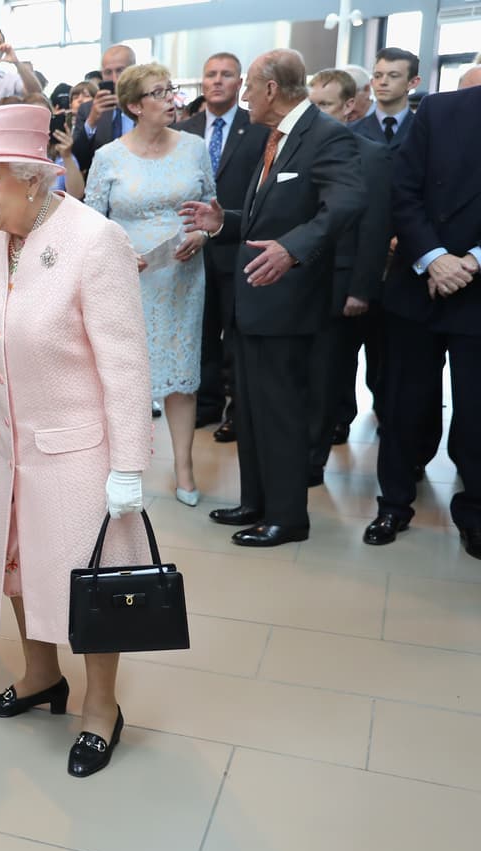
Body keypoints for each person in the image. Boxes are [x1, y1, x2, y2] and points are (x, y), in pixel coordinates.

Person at [0, 104, 151, 777]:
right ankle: (39, 675)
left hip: (82, 452)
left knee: (90, 584)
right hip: (19, 446)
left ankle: (101, 706)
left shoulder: (95, 240)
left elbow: (125, 363)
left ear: (31, 177)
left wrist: (129, 466)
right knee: (20, 567)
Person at [181, 49, 364, 547]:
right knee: (252, 409)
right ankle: (256, 501)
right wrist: (225, 224)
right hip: (255, 302)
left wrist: (293, 249)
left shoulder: (327, 137)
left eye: (247, 88)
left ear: (268, 90)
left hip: (288, 303)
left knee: (280, 411)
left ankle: (287, 517)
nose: (241, 97)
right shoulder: (276, 137)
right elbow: (270, 221)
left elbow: (345, 204)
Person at [85, 63, 214, 505]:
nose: (171, 100)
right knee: (126, 376)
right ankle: (125, 465)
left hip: (182, 277)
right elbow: (91, 223)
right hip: (129, 279)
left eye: (172, 90)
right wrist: (120, 254)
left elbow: (211, 209)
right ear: (136, 106)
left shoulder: (195, 148)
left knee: (182, 377)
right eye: (159, 93)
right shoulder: (109, 157)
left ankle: (184, 467)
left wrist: (203, 234)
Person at [364, 82, 481, 556]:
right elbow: (403, 189)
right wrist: (434, 258)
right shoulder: (439, 109)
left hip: (477, 286)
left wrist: (471, 261)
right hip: (420, 279)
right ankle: (393, 504)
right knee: (402, 403)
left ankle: (475, 512)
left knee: (477, 412)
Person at [176, 52, 270, 443]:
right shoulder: (184, 130)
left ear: (239, 82)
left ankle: (236, 411)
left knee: (234, 333)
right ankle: (207, 404)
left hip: (237, 245)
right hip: (192, 248)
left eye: (226, 75)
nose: (217, 81)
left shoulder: (260, 128)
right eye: (210, 74)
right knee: (201, 330)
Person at [305, 68, 392, 485]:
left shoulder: (371, 154)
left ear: (349, 107)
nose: (316, 112)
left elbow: (375, 227)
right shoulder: (299, 149)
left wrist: (361, 288)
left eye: (325, 104)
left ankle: (313, 459)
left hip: (342, 284)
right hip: (299, 280)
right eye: (312, 103)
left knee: (327, 374)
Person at [71, 44, 137, 172]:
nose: (114, 79)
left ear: (133, 70)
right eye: (108, 72)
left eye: (120, 71)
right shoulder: (87, 110)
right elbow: (78, 160)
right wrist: (91, 122)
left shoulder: (147, 105)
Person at [351, 48, 419, 146]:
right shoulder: (351, 131)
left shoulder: (426, 131)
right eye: (378, 76)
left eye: (393, 76)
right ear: (372, 82)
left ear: (412, 82)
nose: (383, 82)